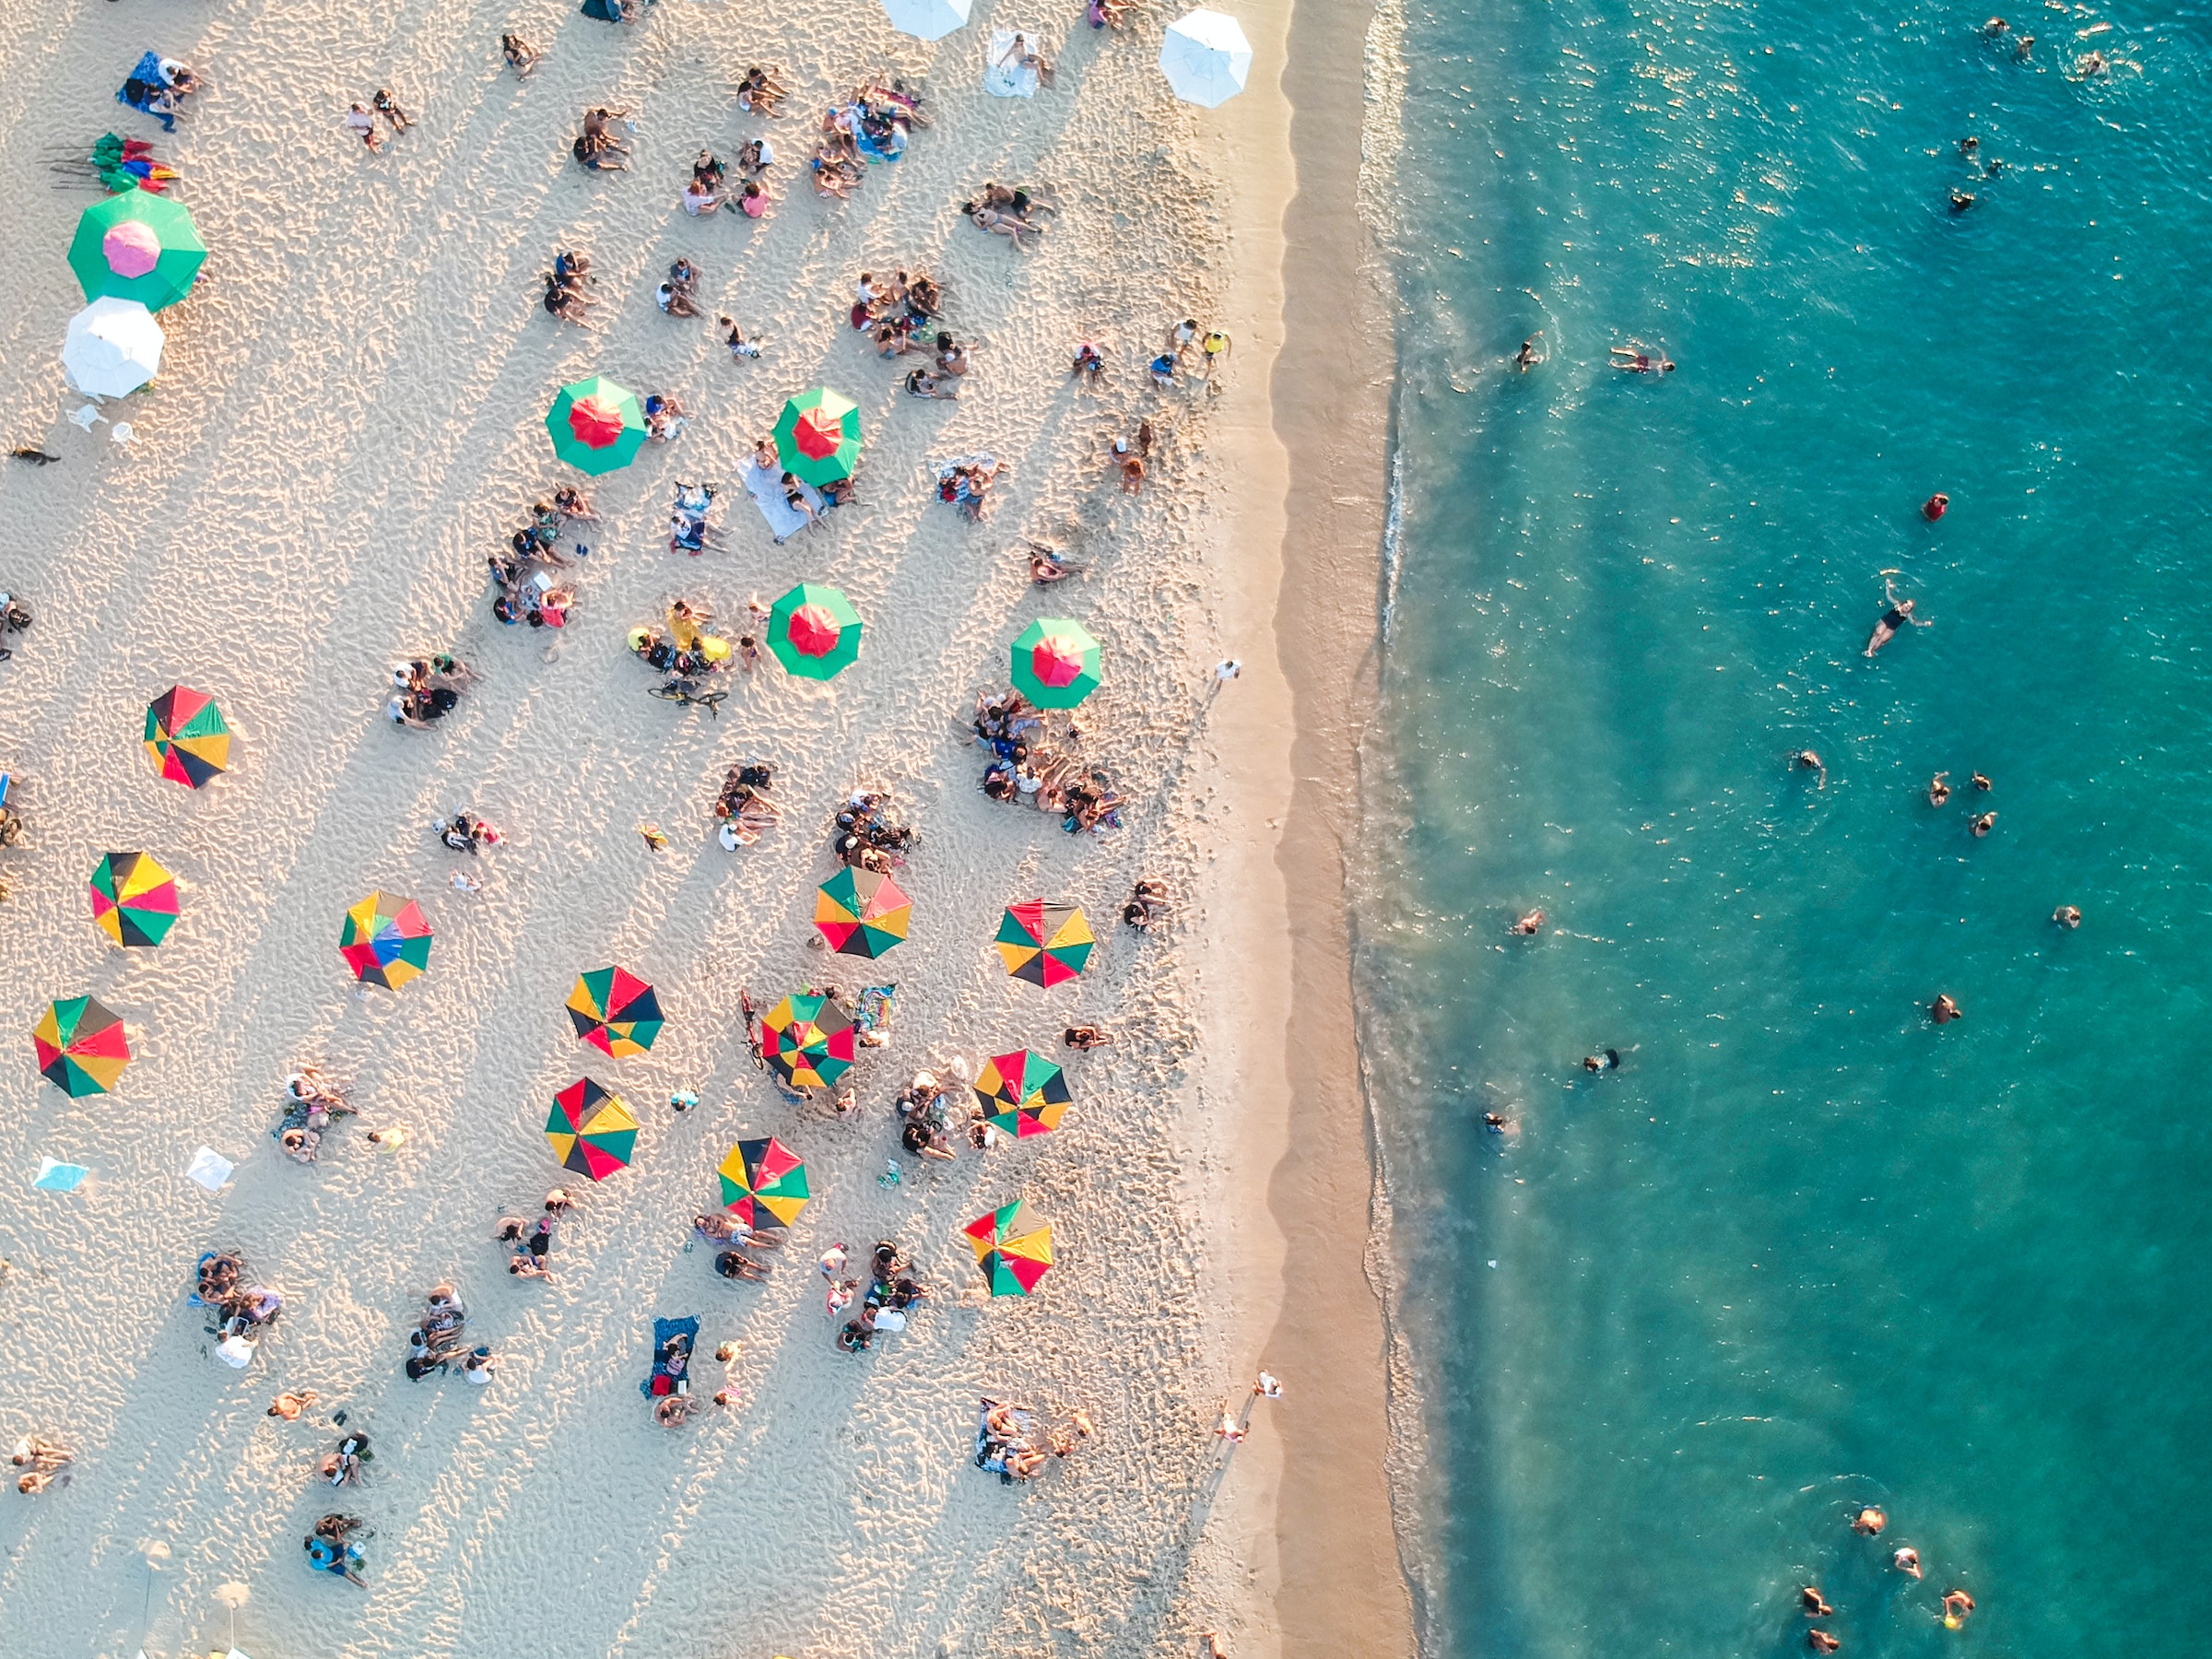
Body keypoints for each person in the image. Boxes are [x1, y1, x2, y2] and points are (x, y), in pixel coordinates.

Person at [1863, 577, 1927, 657]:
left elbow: (1914, 623)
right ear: (1904, 603)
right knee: (1878, 633)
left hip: (1892, 628)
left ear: (1910, 610)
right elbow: (1888, 596)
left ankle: (1871, 651)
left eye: (1909, 607)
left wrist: (1924, 623)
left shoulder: (1908, 615)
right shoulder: (1897, 605)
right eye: (1907, 604)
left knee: (1882, 640)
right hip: (1885, 621)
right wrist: (1888, 586)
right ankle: (1869, 649)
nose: (1906, 606)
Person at [1611, 344, 1675, 372]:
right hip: (1646, 361)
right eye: (1668, 364)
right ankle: (1616, 351)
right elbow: (1663, 353)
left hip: (1645, 366)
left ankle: (1617, 366)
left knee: (1633, 366)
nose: (1666, 364)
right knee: (1633, 353)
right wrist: (1657, 347)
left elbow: (1660, 376)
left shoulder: (1660, 369)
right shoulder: (1663, 361)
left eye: (1667, 366)